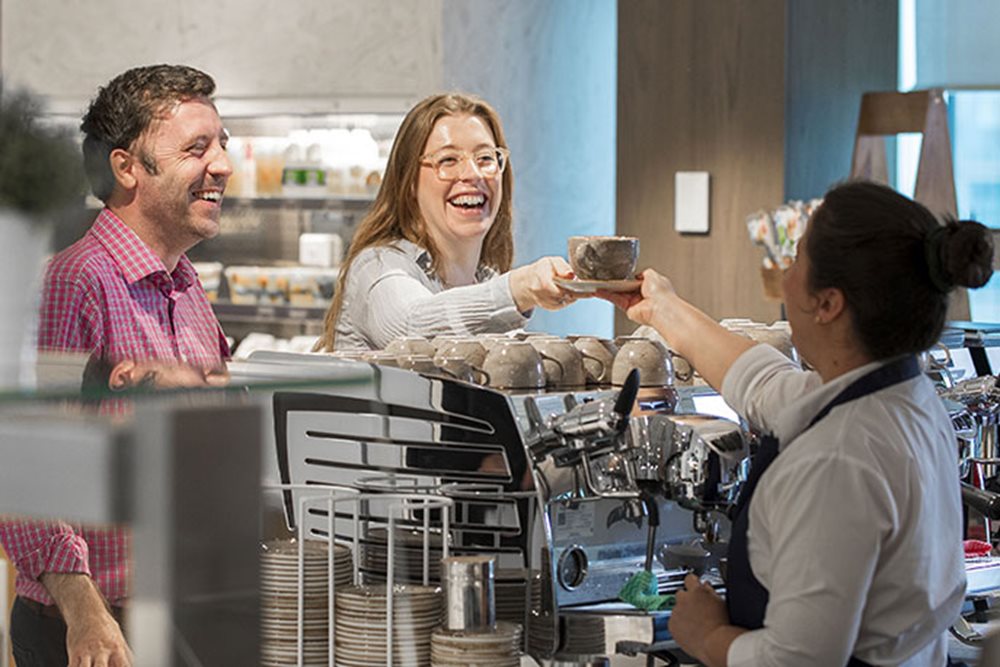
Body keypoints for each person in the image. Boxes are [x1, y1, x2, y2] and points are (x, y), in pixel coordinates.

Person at [603, 181, 993, 666]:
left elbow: (800, 660)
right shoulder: (904, 396)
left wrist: (704, 635)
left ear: (828, 303)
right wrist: (662, 307)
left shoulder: (837, 457)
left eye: (796, 260)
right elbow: (765, 384)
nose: (785, 279)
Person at [0, 64, 232, 667]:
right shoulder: (75, 281)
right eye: (196, 148)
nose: (223, 166)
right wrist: (86, 615)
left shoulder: (186, 284)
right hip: (98, 633)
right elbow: (24, 471)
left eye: (222, 144)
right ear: (126, 167)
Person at [314, 92, 578, 352]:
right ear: (409, 184)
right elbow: (410, 329)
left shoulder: (485, 279)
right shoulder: (377, 267)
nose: (472, 174)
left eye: (485, 158)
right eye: (448, 160)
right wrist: (519, 287)